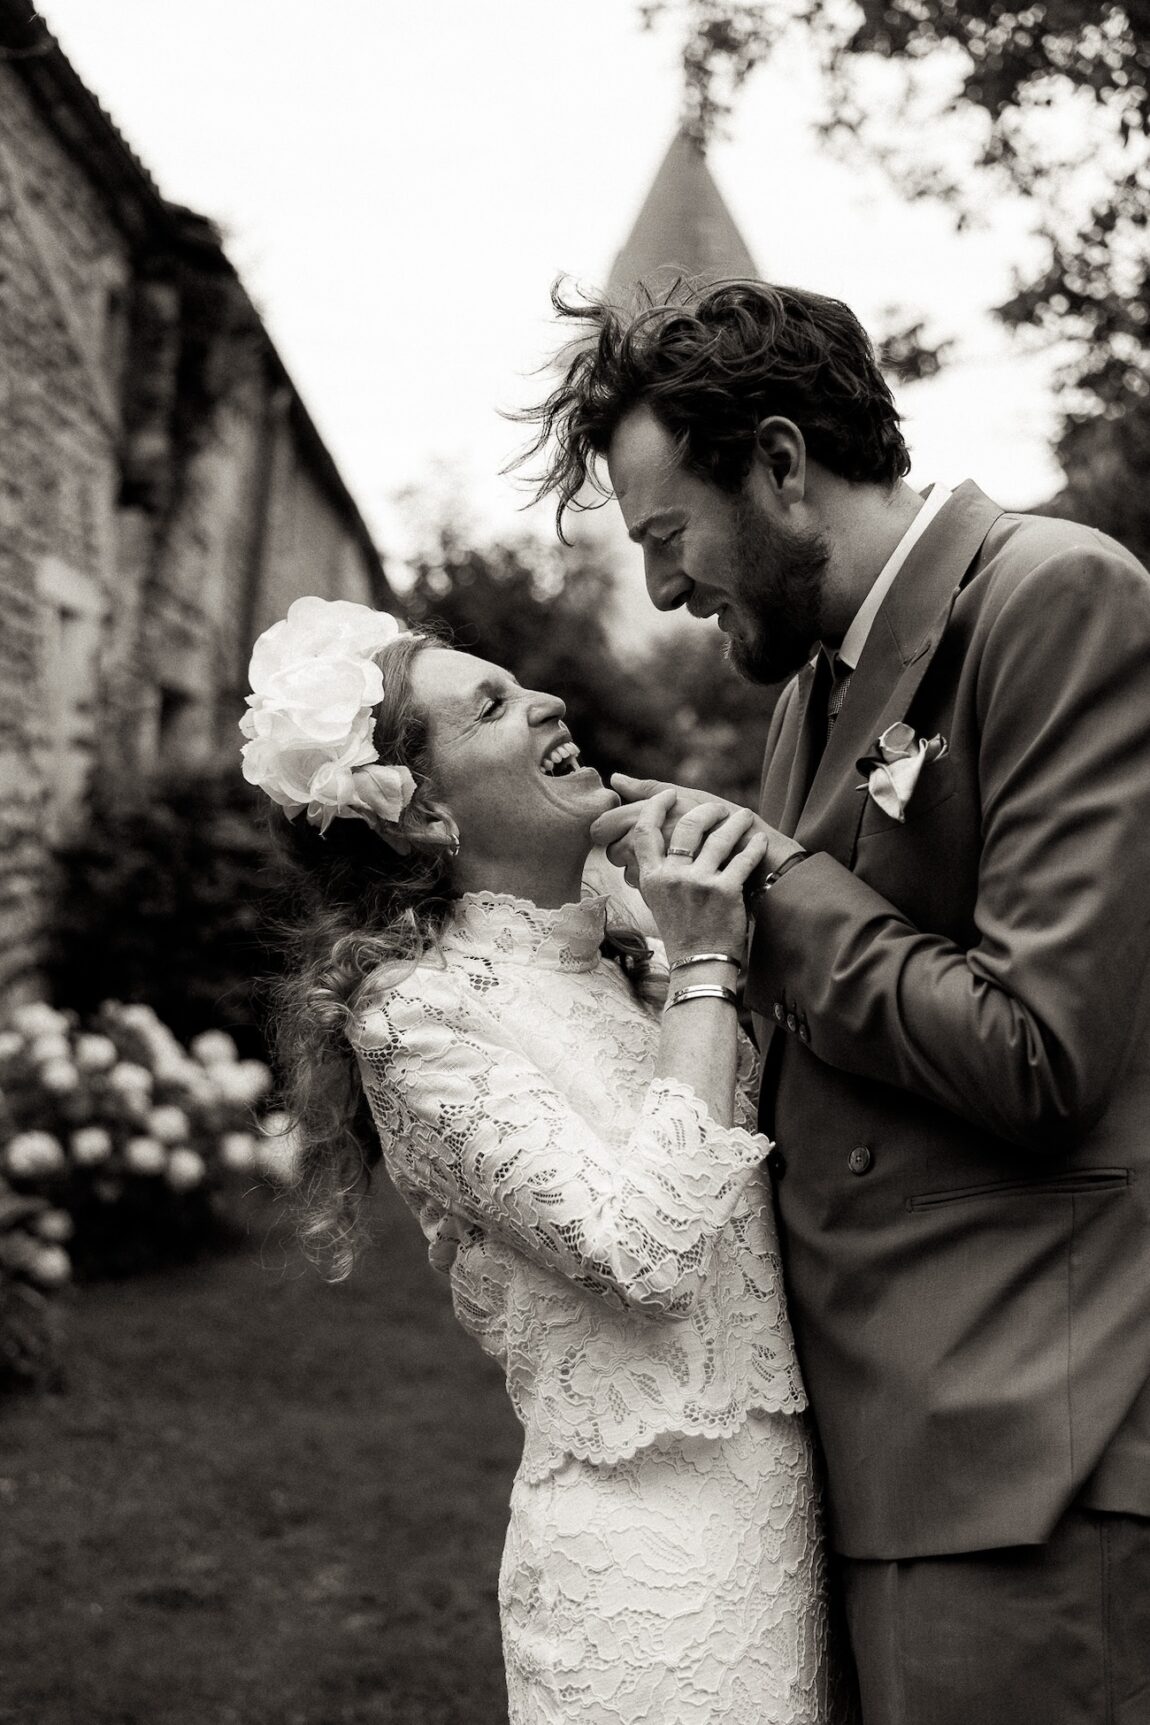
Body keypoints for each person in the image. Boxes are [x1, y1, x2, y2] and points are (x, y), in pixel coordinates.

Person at [518, 278, 1150, 1725]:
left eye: (668, 537)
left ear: (783, 463)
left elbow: (1039, 1052)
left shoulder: (1055, 595)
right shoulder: (812, 690)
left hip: (1018, 1439)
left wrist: (775, 893)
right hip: (862, 1437)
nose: (666, 590)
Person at [241, 595, 857, 1724]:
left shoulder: (619, 948)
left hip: (789, 1512)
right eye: (491, 705)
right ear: (422, 812)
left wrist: (693, 942)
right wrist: (709, 961)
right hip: (648, 1572)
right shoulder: (418, 1024)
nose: (545, 700)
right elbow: (647, 1253)